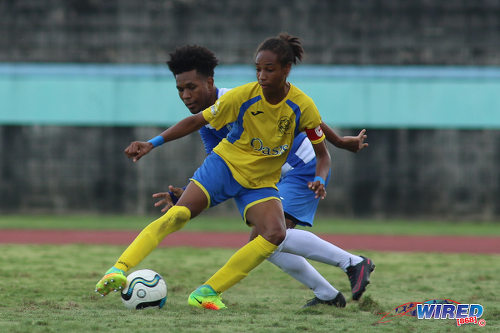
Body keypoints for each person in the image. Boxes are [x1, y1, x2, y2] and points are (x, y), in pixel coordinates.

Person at [94, 33, 365, 310]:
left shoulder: (245, 99)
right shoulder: (232, 106)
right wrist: (170, 168)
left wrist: (338, 148)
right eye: (180, 90)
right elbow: (210, 152)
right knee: (186, 217)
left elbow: (313, 124)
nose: (186, 96)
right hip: (237, 169)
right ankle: (118, 269)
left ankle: (349, 265)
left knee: (273, 235)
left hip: (295, 171)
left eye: (191, 88)